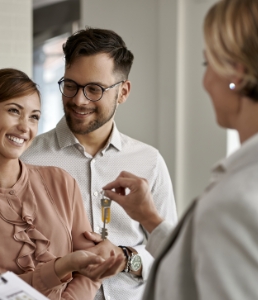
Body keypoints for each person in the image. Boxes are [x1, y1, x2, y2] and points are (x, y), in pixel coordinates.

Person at [103, 0, 258, 299]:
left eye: (207, 63)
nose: (205, 81)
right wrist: (150, 218)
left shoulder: (239, 204)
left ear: (237, 74)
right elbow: (203, 268)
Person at [0, 68, 124, 300]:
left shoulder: (61, 182)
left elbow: (90, 271)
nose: (25, 127)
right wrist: (63, 266)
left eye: (34, 117)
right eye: (14, 111)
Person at [21, 28, 178, 300]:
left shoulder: (149, 161)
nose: (79, 100)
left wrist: (126, 257)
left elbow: (171, 255)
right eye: (70, 85)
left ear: (123, 92)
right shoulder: (27, 160)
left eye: (94, 89)